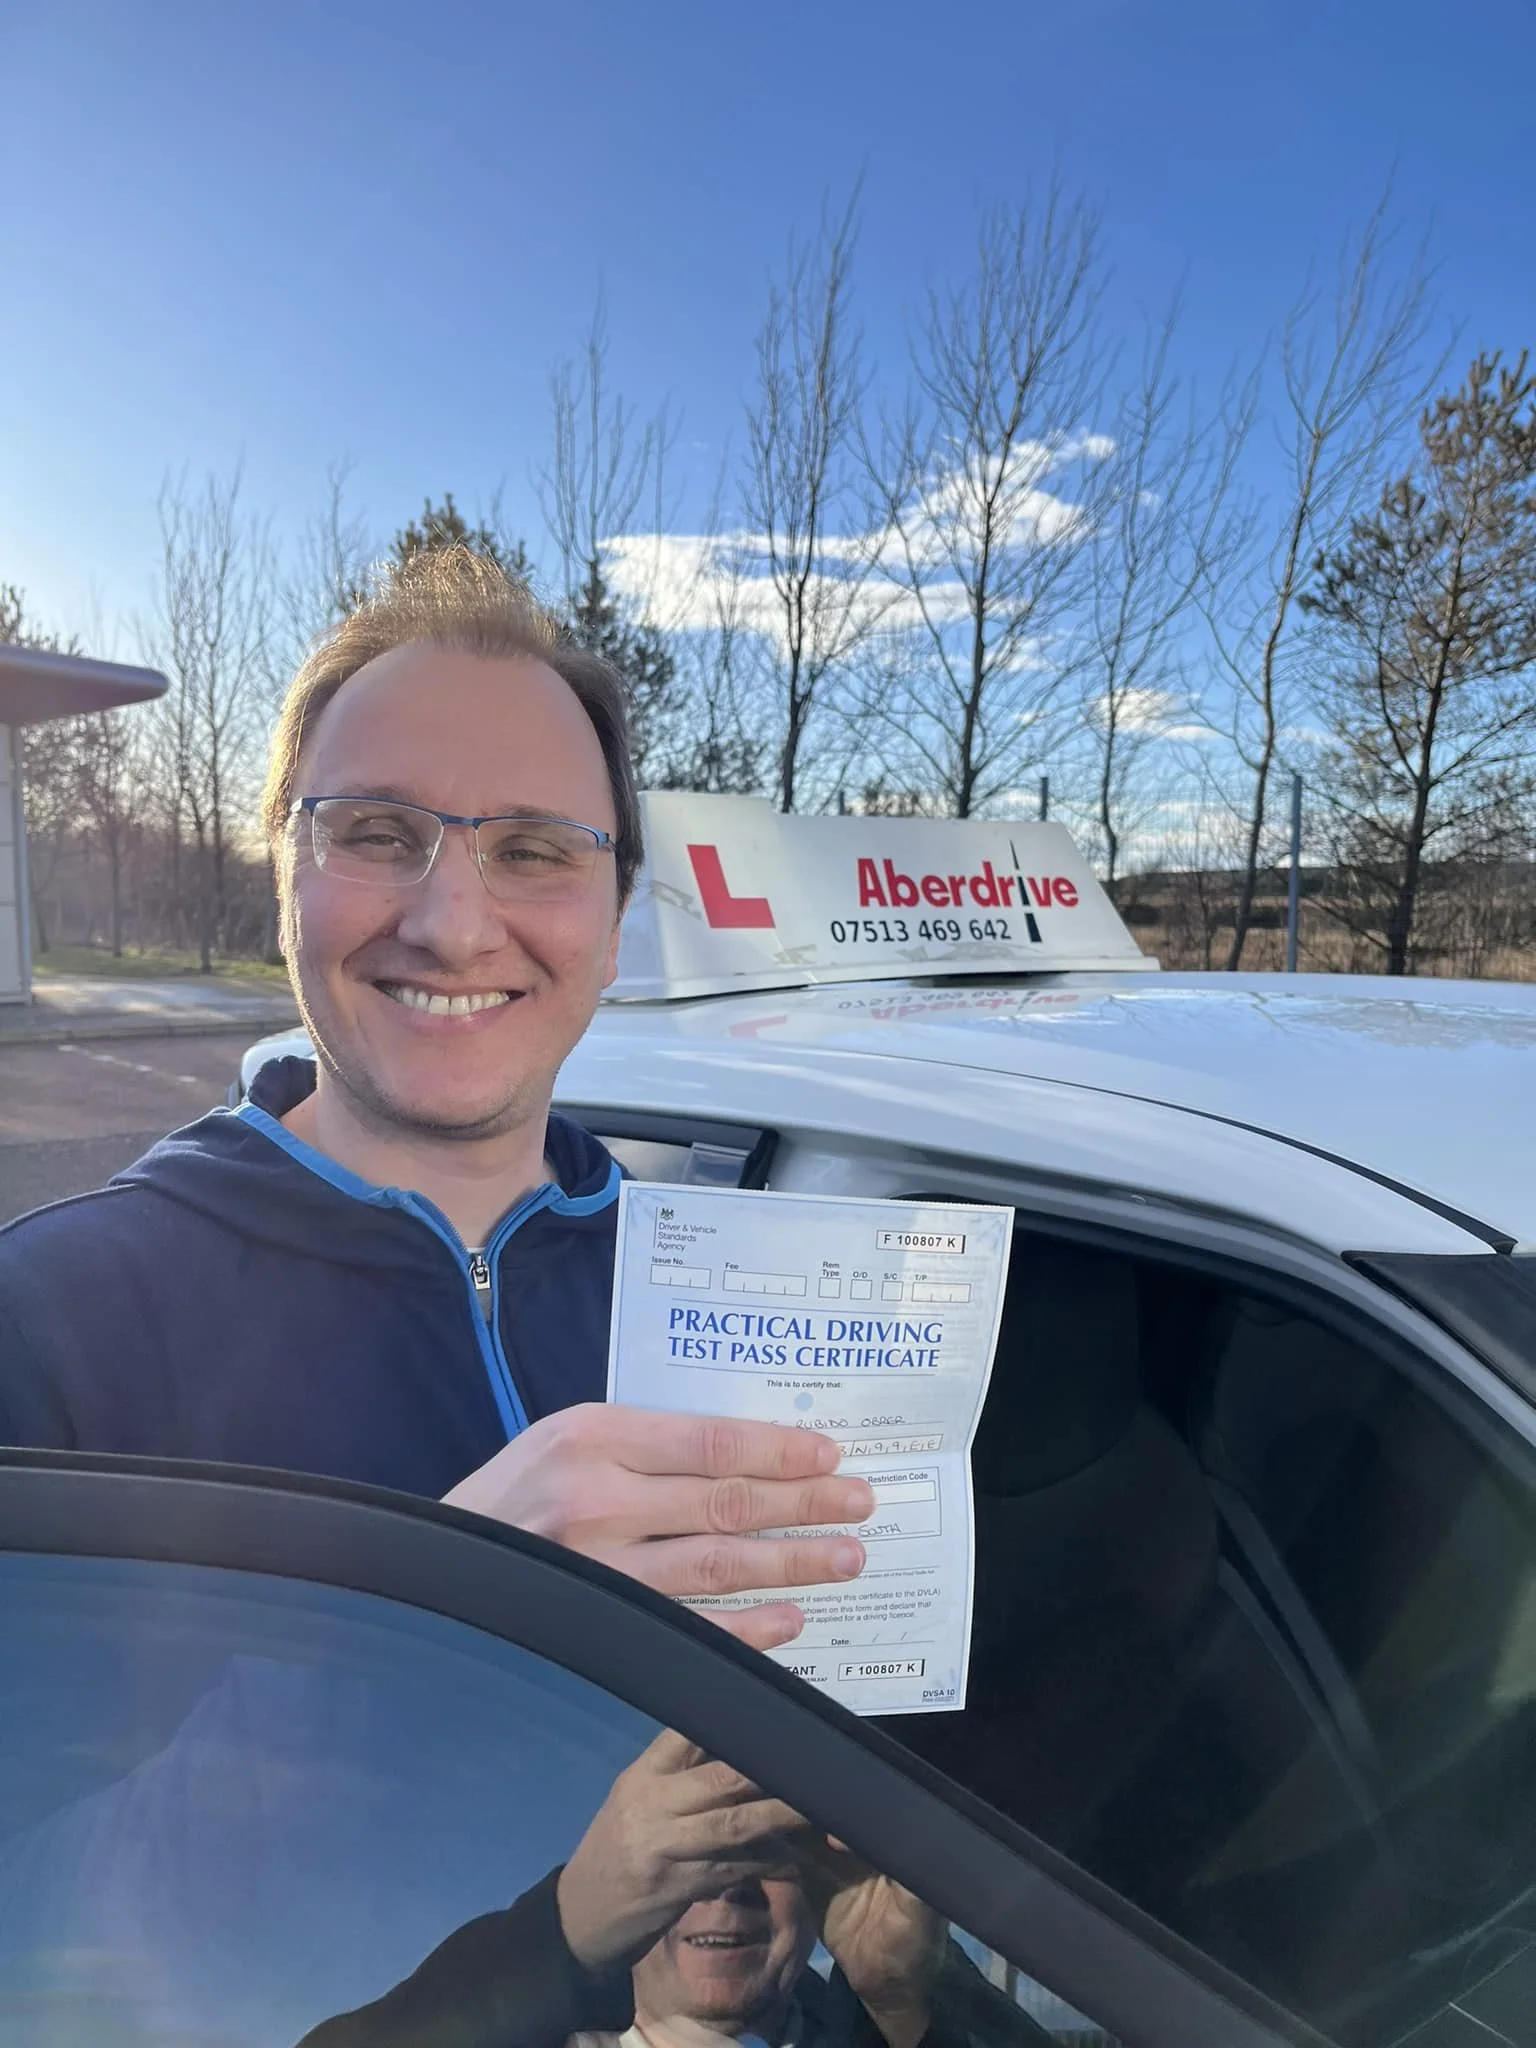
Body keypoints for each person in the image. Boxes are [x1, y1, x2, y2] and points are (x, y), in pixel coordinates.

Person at [0, 547, 872, 1646]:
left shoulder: (737, 1305)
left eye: (533, 848)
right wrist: (427, 1639)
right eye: (376, 832)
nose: (454, 926)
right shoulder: (45, 1330)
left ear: (613, 929)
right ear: (286, 879)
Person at [298, 1730, 1041, 2048]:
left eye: (764, 1845)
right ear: (622, 1873)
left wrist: (913, 2001)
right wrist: (555, 1934)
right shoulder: (531, 2034)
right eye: (693, 1849)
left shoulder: (881, 2029)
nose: (728, 1889)